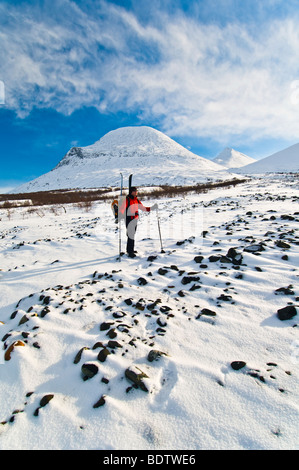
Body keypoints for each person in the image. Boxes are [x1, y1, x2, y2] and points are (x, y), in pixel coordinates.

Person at [121, 186, 157, 258]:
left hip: (135, 219)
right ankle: (130, 252)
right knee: (130, 235)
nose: (136, 192)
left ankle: (130, 249)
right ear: (131, 192)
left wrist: (152, 208)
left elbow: (143, 208)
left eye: (136, 191)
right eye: (135, 191)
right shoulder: (127, 199)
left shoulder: (136, 199)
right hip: (129, 219)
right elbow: (121, 210)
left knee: (132, 235)